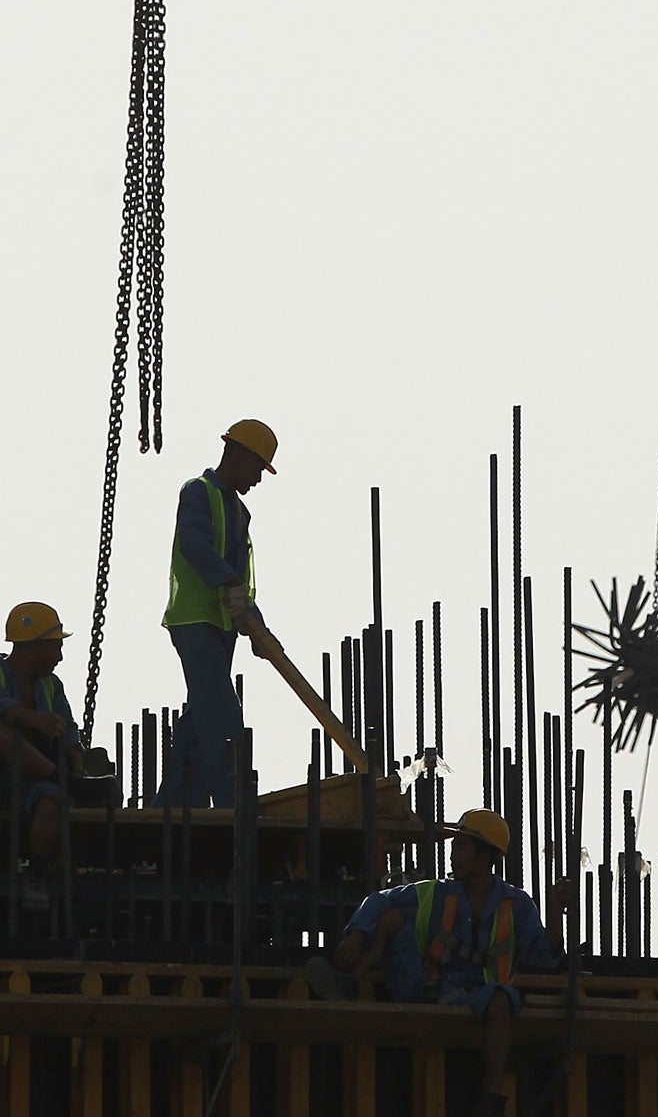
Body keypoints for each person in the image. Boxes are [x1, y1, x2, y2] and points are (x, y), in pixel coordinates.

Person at [303, 809, 572, 1117]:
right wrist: (358, 934)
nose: (452, 854)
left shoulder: (516, 904)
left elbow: (543, 956)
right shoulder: (438, 893)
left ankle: (490, 1100)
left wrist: (555, 910)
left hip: (481, 994)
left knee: (501, 1001)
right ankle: (350, 983)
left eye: (461, 847)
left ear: (485, 857)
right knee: (391, 917)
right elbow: (380, 900)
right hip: (428, 988)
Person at [158, 418, 278, 808]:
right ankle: (233, 806)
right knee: (222, 718)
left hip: (222, 626)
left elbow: (239, 578)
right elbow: (195, 545)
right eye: (258, 469)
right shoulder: (199, 492)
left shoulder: (239, 513)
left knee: (199, 719)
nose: (258, 480)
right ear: (238, 455)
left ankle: (173, 806)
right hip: (195, 620)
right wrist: (229, 589)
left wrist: (256, 625)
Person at [0, 603, 110, 870]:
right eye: (56, 647)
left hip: (32, 782)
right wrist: (37, 720)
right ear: (35, 646)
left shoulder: (51, 684)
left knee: (52, 801)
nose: (60, 657)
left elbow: (69, 733)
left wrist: (78, 770)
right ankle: (67, 784)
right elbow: (0, 710)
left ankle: (38, 875)